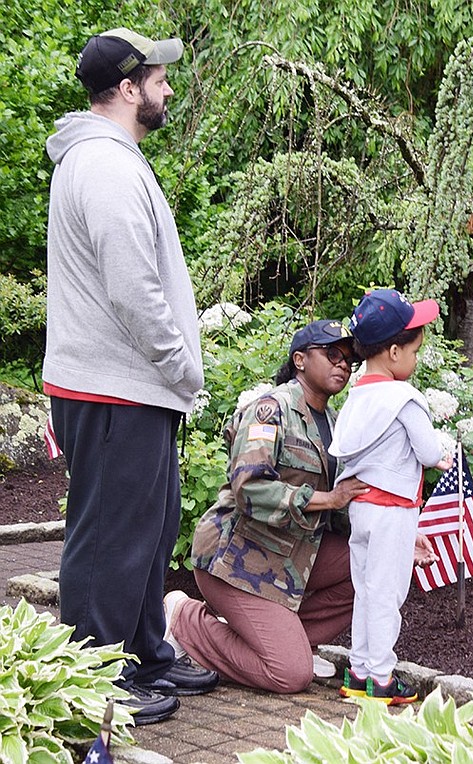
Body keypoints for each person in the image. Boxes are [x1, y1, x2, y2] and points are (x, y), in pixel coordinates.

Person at [43, 27, 218, 725]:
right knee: (110, 535)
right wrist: (181, 367)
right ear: (126, 88)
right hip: (116, 386)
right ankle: (95, 677)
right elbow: (133, 289)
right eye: (158, 78)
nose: (167, 88)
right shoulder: (106, 167)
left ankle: (146, 652)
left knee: (148, 527)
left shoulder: (109, 159)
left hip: (130, 388)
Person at [164, 320, 369, 693]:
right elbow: (250, 488)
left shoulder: (338, 425)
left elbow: (345, 507)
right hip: (237, 559)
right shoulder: (270, 410)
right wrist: (329, 499)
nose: (343, 364)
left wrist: (396, 535)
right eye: (332, 354)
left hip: (290, 555)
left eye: (349, 360)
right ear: (300, 360)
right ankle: (184, 618)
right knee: (290, 675)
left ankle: (288, 642)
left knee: (374, 562)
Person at [329, 288, 452, 703]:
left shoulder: (357, 398)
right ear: (394, 352)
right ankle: (381, 678)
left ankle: (359, 672)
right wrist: (445, 456)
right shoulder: (405, 399)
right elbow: (430, 452)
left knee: (366, 591)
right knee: (387, 595)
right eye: (415, 351)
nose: (415, 360)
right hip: (393, 511)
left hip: (362, 510)